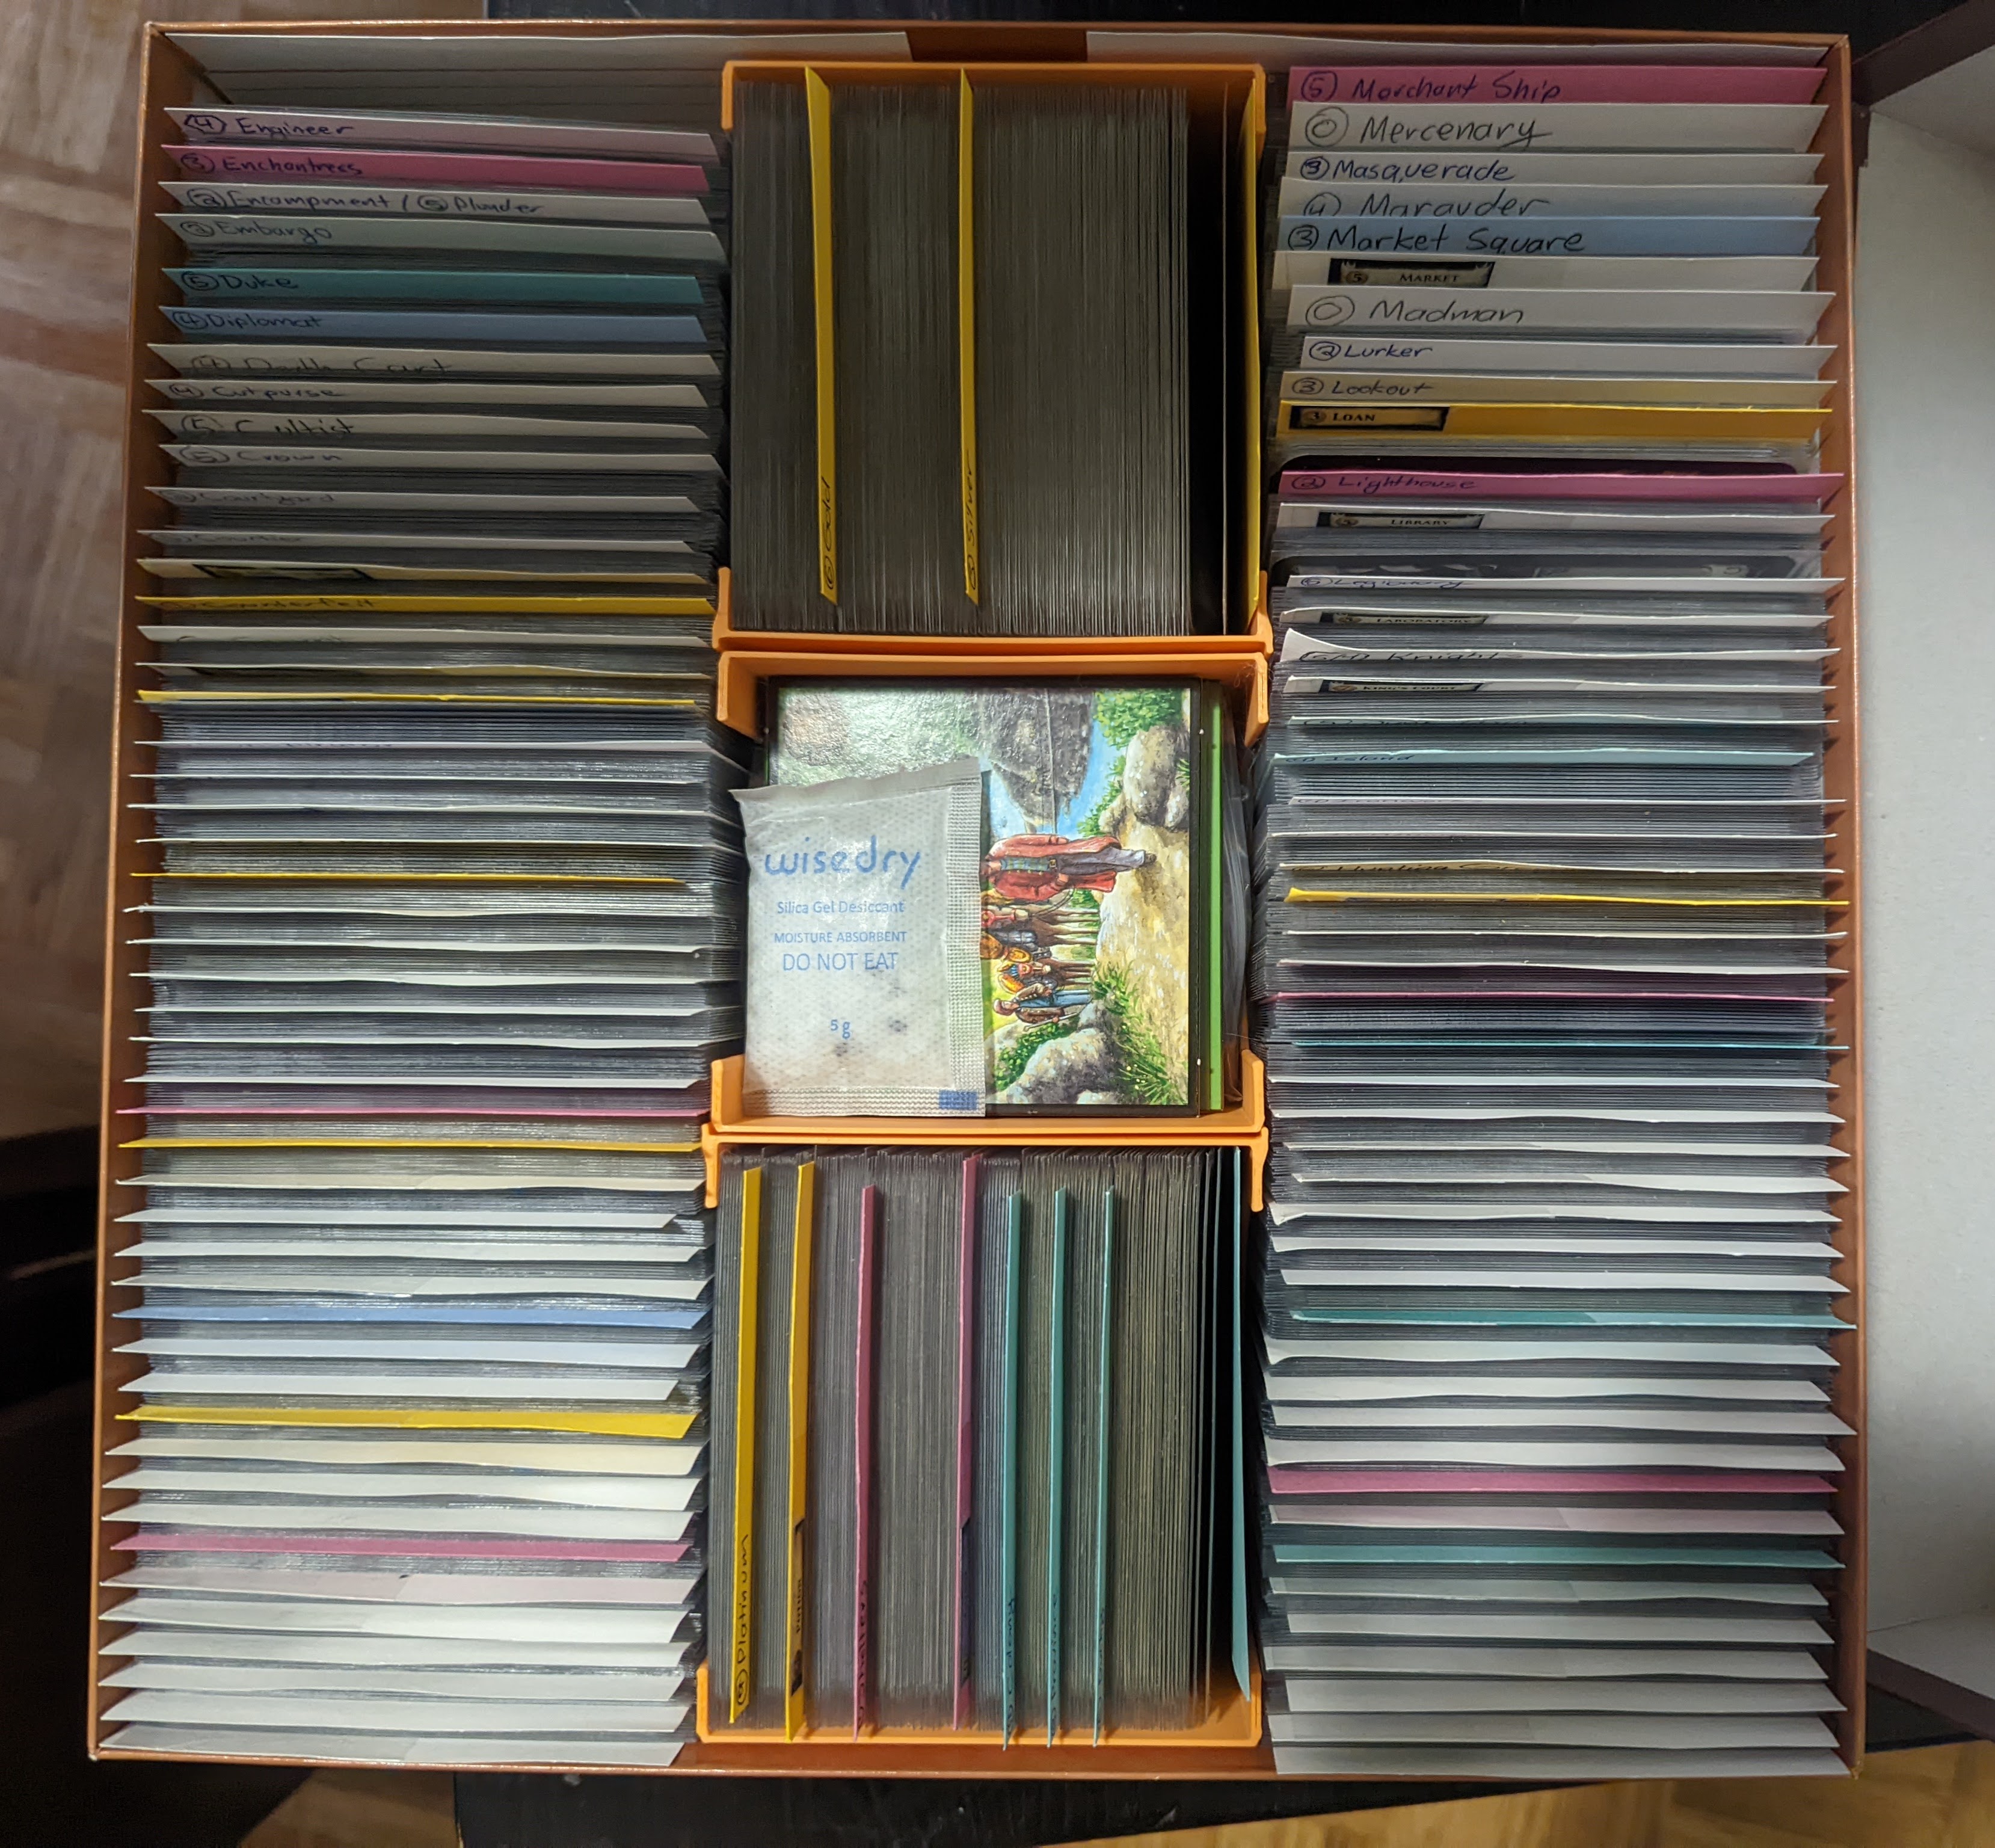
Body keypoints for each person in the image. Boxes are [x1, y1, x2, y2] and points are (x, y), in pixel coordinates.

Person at [982, 834, 1149, 904]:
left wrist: (1053, 840)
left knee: (1099, 854)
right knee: (1098, 870)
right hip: (1061, 875)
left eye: (978, 869)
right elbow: (1036, 894)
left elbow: (1031, 840)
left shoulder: (1001, 848)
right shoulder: (1002, 887)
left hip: (1060, 854)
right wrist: (1057, 884)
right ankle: (1130, 865)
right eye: (979, 876)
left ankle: (1139, 858)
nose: (982, 873)